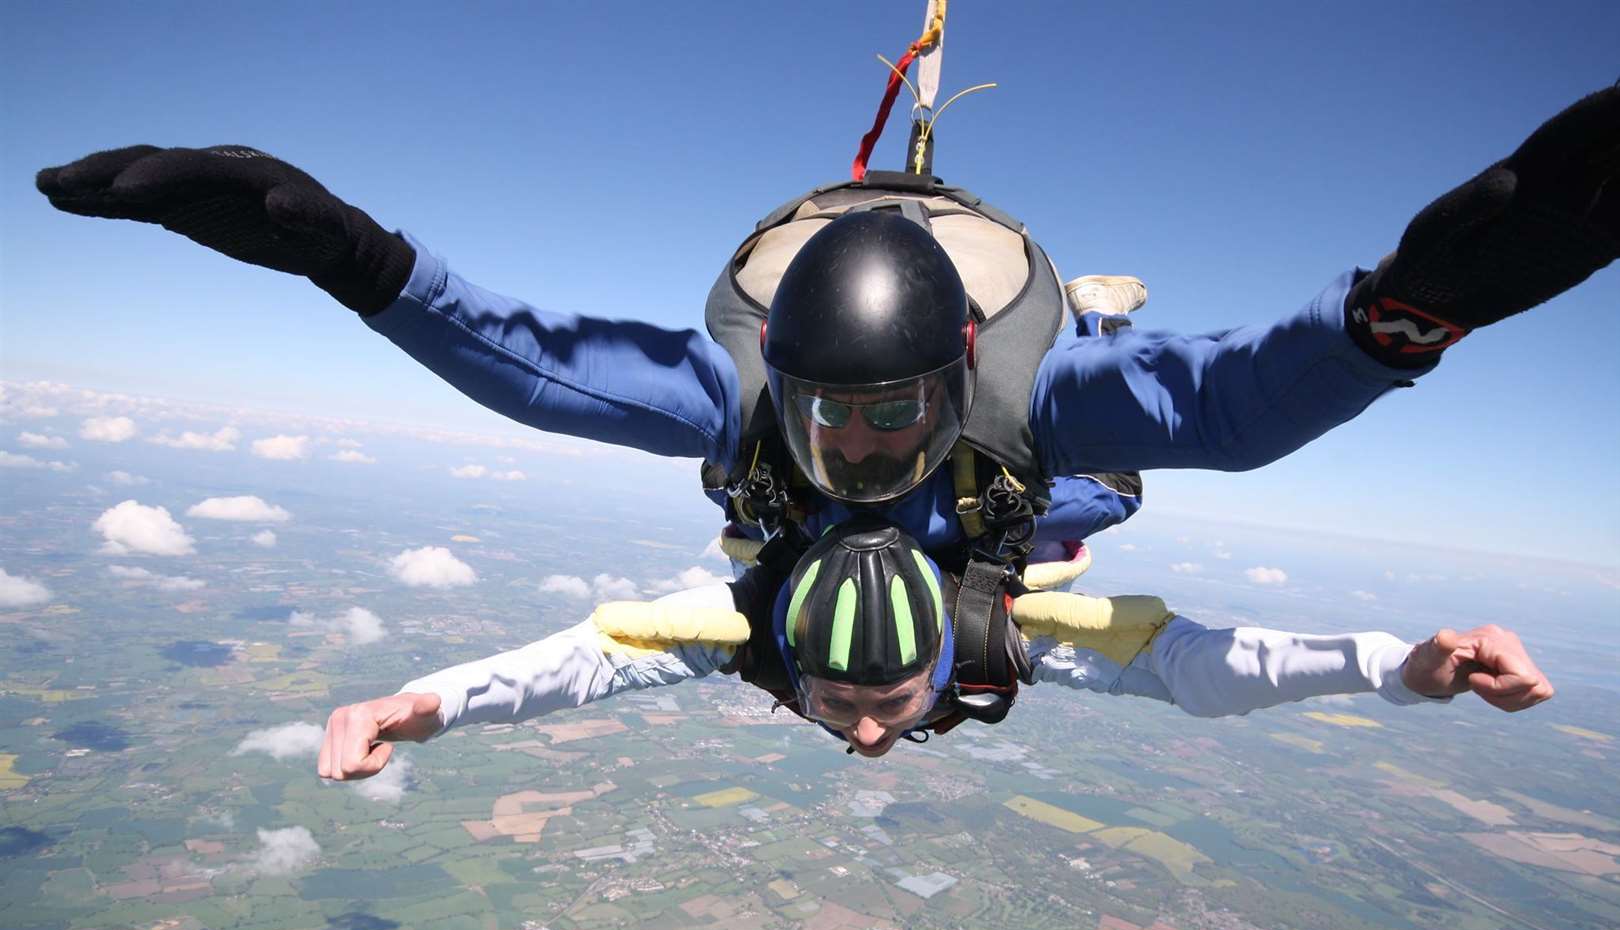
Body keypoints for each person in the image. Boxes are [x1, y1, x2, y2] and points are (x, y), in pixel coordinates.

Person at [36, 88, 1619, 565]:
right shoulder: (748, 400)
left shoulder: (1032, 402)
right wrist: (341, 248)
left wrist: (1414, 303)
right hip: (1008, 451)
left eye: (885, 417)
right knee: (1081, 500)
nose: (855, 446)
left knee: (1096, 484)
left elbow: (1222, 402)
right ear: (782, 386)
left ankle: (1111, 312)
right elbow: (527, 359)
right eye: (828, 418)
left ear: (947, 384)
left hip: (1028, 422)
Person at [315, 521, 1554, 774]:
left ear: (940, 659)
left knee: (1094, 503)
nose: (864, 730)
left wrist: (1400, 665)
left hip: (1001, 552)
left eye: (890, 699)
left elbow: (1200, 666)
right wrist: (418, 705)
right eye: (838, 698)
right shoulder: (752, 630)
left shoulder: (1002, 630)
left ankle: (1099, 340)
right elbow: (582, 658)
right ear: (790, 657)